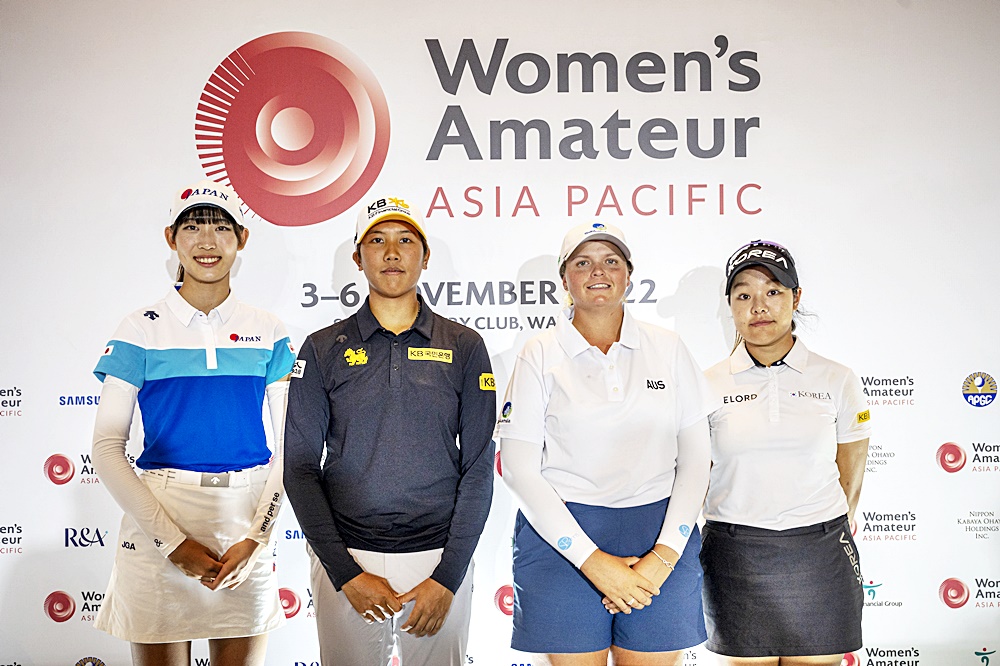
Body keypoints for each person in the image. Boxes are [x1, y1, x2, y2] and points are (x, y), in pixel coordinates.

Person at [283, 195, 496, 666]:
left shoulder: (464, 345)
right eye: (377, 240)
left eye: (406, 240)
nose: (392, 253)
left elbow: (480, 467)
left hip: (437, 558)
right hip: (347, 558)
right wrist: (345, 574)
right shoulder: (322, 347)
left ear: (425, 256)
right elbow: (299, 468)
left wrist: (448, 577)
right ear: (358, 258)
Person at [91, 180, 295, 665]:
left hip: (246, 518)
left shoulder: (269, 329)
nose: (207, 241)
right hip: (160, 513)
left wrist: (258, 537)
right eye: (192, 227)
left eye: (221, 227)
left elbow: (293, 446)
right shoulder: (139, 327)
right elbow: (106, 447)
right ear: (171, 238)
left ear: (242, 238)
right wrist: (172, 541)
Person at [495, 222, 719, 665]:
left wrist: (664, 554)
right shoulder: (539, 353)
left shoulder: (668, 347)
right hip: (562, 533)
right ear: (564, 280)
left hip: (660, 528)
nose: (598, 271)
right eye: (583, 262)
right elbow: (518, 469)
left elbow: (697, 460)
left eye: (611, 261)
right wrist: (592, 561)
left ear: (628, 276)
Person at [700, 240, 871, 665]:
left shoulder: (837, 378)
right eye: (744, 295)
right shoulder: (707, 383)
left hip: (820, 552)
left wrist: (818, 527)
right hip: (734, 553)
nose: (759, 306)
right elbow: (696, 475)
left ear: (796, 298)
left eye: (773, 291)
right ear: (730, 306)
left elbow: (850, 474)